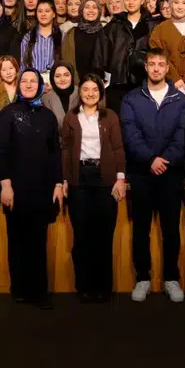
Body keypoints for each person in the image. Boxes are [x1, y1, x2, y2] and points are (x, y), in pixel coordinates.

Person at [121, 48, 185, 303]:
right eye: (152, 64)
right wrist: (150, 159)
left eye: (161, 64)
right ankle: (143, 279)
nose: (157, 68)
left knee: (171, 230)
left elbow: (183, 135)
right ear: (146, 67)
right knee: (141, 229)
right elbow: (130, 134)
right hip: (141, 173)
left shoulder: (180, 99)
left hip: (171, 174)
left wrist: (165, 160)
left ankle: (172, 278)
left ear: (168, 67)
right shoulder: (131, 99)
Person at [0, 70, 65, 308]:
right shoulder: (6, 114)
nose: (28, 84)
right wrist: (5, 184)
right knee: (17, 240)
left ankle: (39, 292)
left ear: (40, 86)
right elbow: (0, 151)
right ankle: (20, 290)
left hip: (42, 187)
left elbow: (55, 152)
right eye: (24, 81)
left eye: (33, 81)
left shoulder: (48, 116)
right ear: (18, 84)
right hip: (15, 187)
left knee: (38, 241)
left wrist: (58, 183)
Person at [60, 73, 126, 303]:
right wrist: (65, 179)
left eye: (95, 90)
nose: (90, 94)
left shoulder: (110, 116)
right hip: (79, 178)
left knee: (104, 234)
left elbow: (118, 148)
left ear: (101, 93)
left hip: (105, 178)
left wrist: (120, 178)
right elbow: (65, 150)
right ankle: (84, 287)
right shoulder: (71, 117)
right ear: (80, 93)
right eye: (86, 89)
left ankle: (103, 287)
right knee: (82, 235)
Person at [96, 0, 152, 112]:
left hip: (145, 81)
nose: (131, 2)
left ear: (142, 0)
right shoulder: (114, 25)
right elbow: (101, 54)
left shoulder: (151, 24)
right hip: (118, 81)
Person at [62, 0, 106, 79]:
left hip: (101, 82)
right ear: (81, 10)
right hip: (77, 81)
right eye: (87, 7)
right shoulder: (71, 33)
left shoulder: (106, 32)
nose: (91, 10)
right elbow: (66, 60)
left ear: (99, 11)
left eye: (94, 7)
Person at [19, 0, 62, 74]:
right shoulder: (28, 37)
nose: (43, 14)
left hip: (55, 79)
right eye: (40, 11)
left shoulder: (62, 36)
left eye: (47, 11)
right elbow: (23, 64)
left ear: (54, 14)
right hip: (34, 79)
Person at [43, 61, 79, 127]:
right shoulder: (45, 98)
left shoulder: (81, 93)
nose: (62, 79)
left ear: (72, 76)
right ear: (52, 78)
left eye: (66, 75)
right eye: (58, 76)